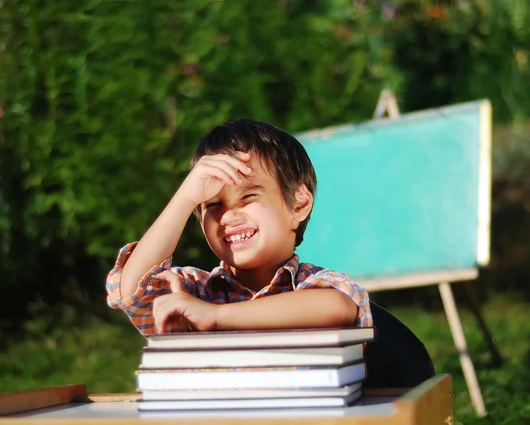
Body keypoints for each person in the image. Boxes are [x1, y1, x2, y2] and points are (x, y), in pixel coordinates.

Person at [105, 119, 372, 335]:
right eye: (212, 205)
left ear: (298, 205)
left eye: (248, 197)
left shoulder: (314, 285)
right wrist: (186, 197)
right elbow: (133, 292)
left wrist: (215, 316)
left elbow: (336, 307)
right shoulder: (193, 292)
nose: (229, 216)